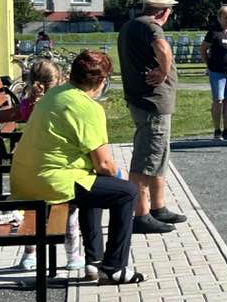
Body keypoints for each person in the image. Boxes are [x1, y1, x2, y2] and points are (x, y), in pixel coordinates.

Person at [10, 51, 145, 284]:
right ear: (102, 81)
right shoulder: (87, 107)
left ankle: (94, 261)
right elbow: (104, 164)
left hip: (24, 178)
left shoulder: (55, 94)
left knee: (94, 183)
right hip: (48, 182)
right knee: (126, 192)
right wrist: (121, 175)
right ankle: (114, 267)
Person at [0, 60, 83, 271]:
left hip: (28, 170)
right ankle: (73, 256)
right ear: (58, 80)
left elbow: (2, 115)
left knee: (32, 209)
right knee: (69, 208)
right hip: (55, 173)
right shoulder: (60, 104)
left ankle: (29, 256)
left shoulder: (27, 105)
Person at [117, 0, 187, 234]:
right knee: (146, 159)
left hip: (144, 101)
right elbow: (163, 48)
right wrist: (163, 71)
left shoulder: (130, 25)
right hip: (152, 102)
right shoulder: (151, 26)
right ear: (164, 10)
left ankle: (158, 206)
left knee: (158, 155)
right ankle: (140, 214)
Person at [200, 5, 227, 140]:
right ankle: (217, 130)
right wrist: (209, 64)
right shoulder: (214, 33)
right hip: (217, 72)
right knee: (218, 100)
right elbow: (203, 49)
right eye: (225, 17)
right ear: (219, 18)